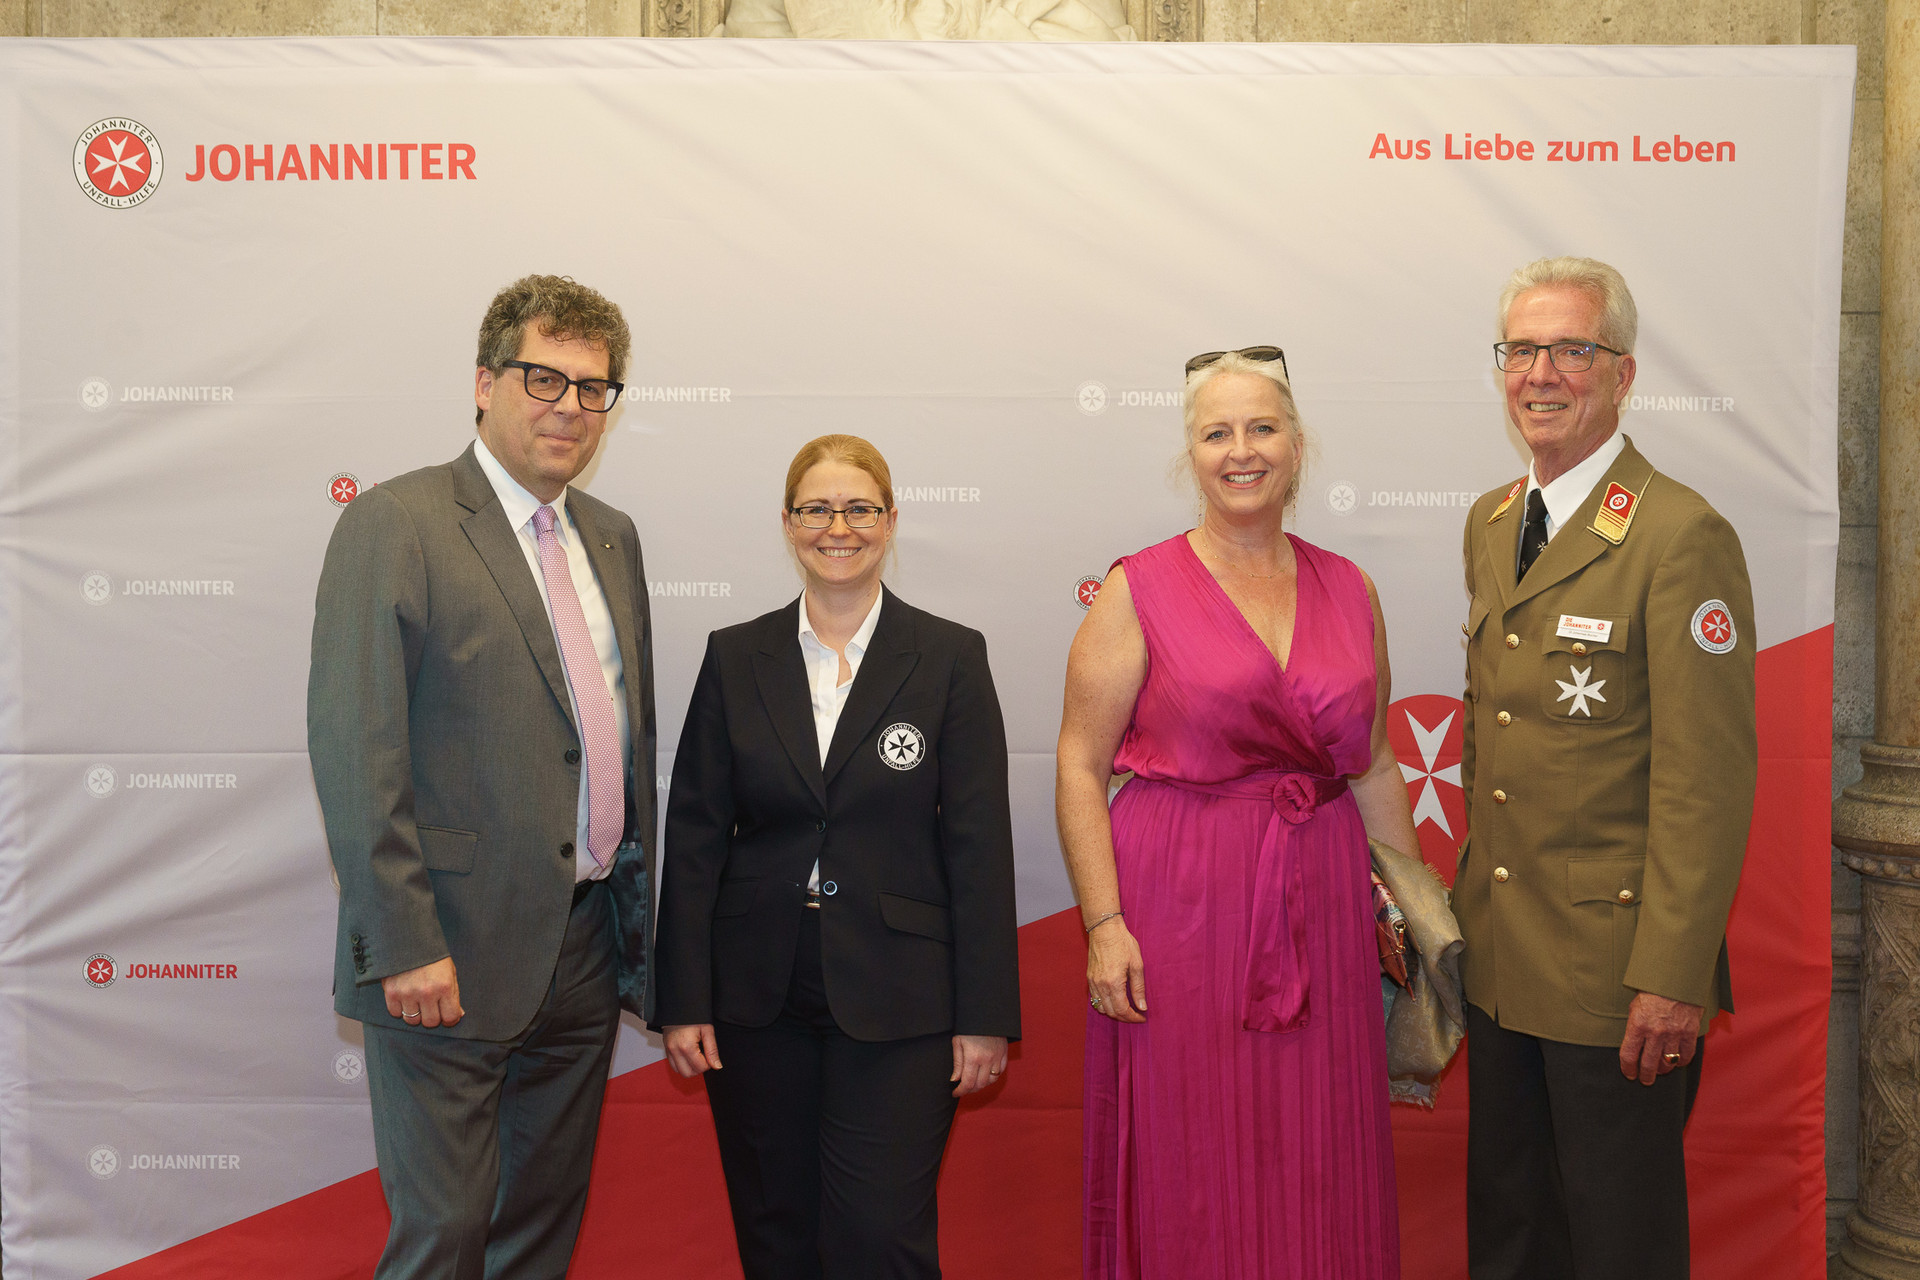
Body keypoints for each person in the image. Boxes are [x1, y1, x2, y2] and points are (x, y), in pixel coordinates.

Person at [308, 274, 656, 1280]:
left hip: (584, 946)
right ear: (483, 382)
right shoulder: (397, 523)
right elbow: (354, 748)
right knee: (445, 1236)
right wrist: (403, 940)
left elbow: (612, 738)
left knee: (538, 1232)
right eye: (544, 376)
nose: (570, 406)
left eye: (595, 388)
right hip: (443, 956)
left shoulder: (611, 536)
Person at [1059, 347, 1418, 1279]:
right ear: (1191, 455)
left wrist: (1415, 910)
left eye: (1261, 428)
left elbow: (1374, 757)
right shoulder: (1137, 588)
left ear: (1298, 447)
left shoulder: (1353, 587)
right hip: (1175, 911)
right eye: (1217, 433)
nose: (1240, 450)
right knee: (1194, 1146)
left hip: (1325, 904)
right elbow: (1079, 761)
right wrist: (1104, 924)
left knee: (1320, 1142)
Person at [653, 433, 1020, 1279]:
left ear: (889, 520)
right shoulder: (734, 654)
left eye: (858, 508)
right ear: (787, 523)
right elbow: (699, 833)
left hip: (901, 995)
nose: (838, 527)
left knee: (878, 1236)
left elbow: (977, 843)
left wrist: (985, 1011)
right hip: (754, 994)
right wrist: (683, 998)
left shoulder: (950, 657)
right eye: (817, 509)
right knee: (776, 1230)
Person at [1457, 256, 1757, 1280]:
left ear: (1622, 372)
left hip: (1615, 978)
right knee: (1512, 1231)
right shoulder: (1494, 523)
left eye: (1571, 348)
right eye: (1522, 350)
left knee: (1617, 1242)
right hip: (1503, 958)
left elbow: (1703, 782)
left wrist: (1672, 976)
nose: (1542, 373)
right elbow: (1494, 734)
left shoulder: (1679, 535)